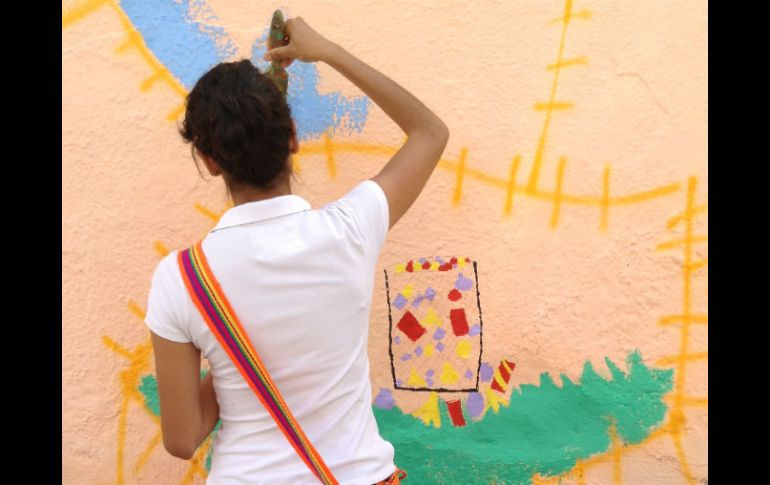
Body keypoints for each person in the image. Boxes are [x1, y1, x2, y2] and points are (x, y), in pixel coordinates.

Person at [145, 16, 449, 485]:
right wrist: (328, 51)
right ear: (292, 139)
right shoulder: (352, 229)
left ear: (208, 161)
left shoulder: (180, 278)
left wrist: (239, 366)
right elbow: (430, 132)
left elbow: (183, 440)